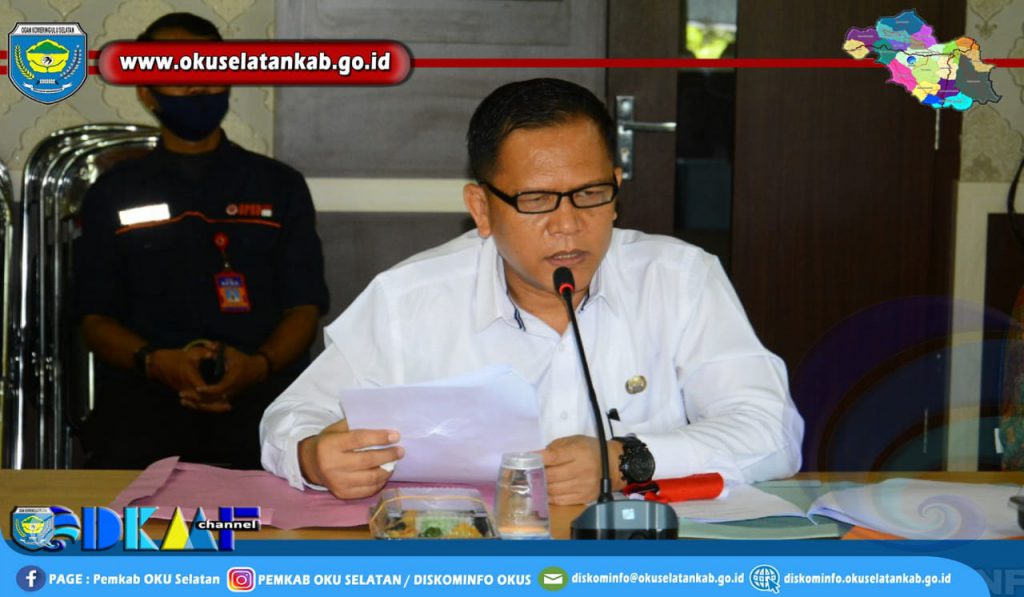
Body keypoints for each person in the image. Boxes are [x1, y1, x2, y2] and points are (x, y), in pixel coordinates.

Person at [260, 78, 803, 504]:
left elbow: (771, 432)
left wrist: (625, 461)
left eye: (590, 194)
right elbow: (292, 417)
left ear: (616, 191)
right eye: (537, 201)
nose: (568, 225)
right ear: (481, 209)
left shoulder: (679, 279)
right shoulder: (408, 299)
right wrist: (314, 458)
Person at [74, 13, 329, 469]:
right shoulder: (113, 193)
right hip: (145, 405)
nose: (197, 84)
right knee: (123, 494)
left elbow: (304, 309)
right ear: (146, 91)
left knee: (273, 499)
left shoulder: (279, 186)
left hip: (260, 406)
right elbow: (94, 319)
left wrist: (257, 366)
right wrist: (157, 362)